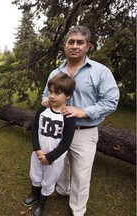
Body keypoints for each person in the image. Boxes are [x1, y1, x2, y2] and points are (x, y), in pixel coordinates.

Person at [41, 26, 119, 216]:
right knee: (60, 164)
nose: (74, 46)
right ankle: (63, 189)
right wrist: (45, 100)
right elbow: (46, 93)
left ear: (88, 46)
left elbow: (111, 101)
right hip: (57, 131)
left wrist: (83, 111)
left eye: (80, 42)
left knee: (81, 174)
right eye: (71, 42)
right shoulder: (55, 73)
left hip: (83, 132)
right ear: (65, 45)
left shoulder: (100, 71)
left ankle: (77, 210)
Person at [23, 73, 76, 216]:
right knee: (35, 176)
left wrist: (50, 157)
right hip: (38, 154)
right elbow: (34, 130)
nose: (52, 96)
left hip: (54, 159)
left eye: (57, 93)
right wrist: (37, 150)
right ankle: (34, 195)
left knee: (48, 182)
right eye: (50, 91)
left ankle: (41, 205)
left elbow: (66, 143)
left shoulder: (69, 117)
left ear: (68, 96)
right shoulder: (42, 110)